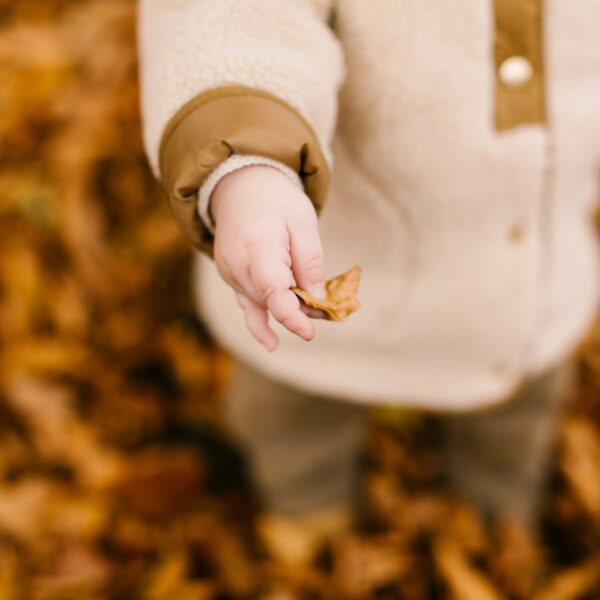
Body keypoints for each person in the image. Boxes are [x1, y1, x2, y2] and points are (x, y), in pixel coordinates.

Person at [138, 0, 600, 562]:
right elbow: (234, 15)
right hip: (313, 261)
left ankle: (494, 529)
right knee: (293, 417)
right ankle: (308, 512)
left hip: (526, 275)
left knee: (512, 426)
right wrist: (249, 164)